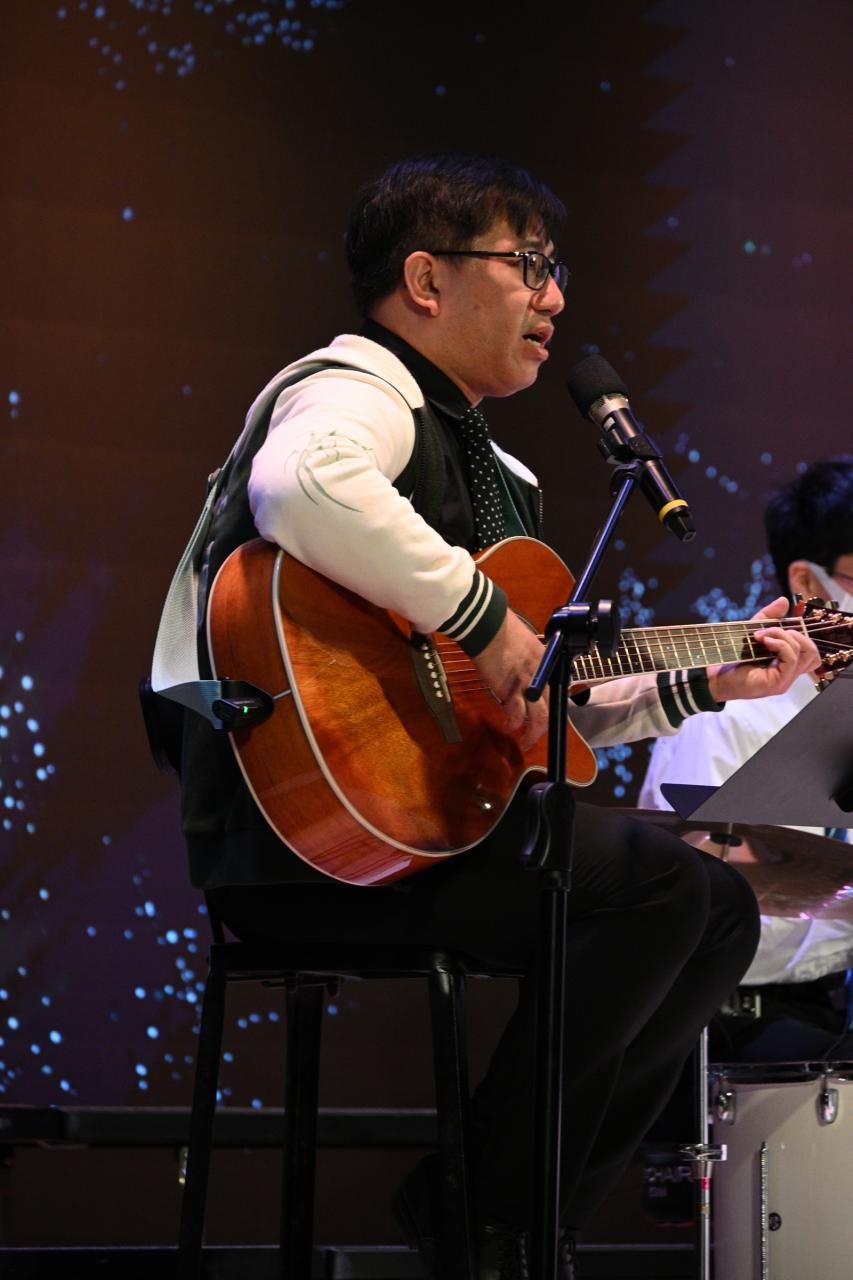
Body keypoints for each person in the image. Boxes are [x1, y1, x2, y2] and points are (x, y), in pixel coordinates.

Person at [172, 155, 819, 1279]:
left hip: (424, 829)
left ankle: (514, 1212)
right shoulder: (357, 387)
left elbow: (528, 708)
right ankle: (486, 1217)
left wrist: (704, 683)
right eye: (528, 265)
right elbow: (301, 487)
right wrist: (480, 616)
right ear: (426, 278)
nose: (554, 297)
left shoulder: (498, 475)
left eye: (554, 271)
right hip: (296, 835)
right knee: (665, 886)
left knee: (715, 905)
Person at [640, 457, 853, 1063]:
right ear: (807, 583)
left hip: (828, 1006)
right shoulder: (727, 710)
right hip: (735, 1025)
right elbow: (709, 916)